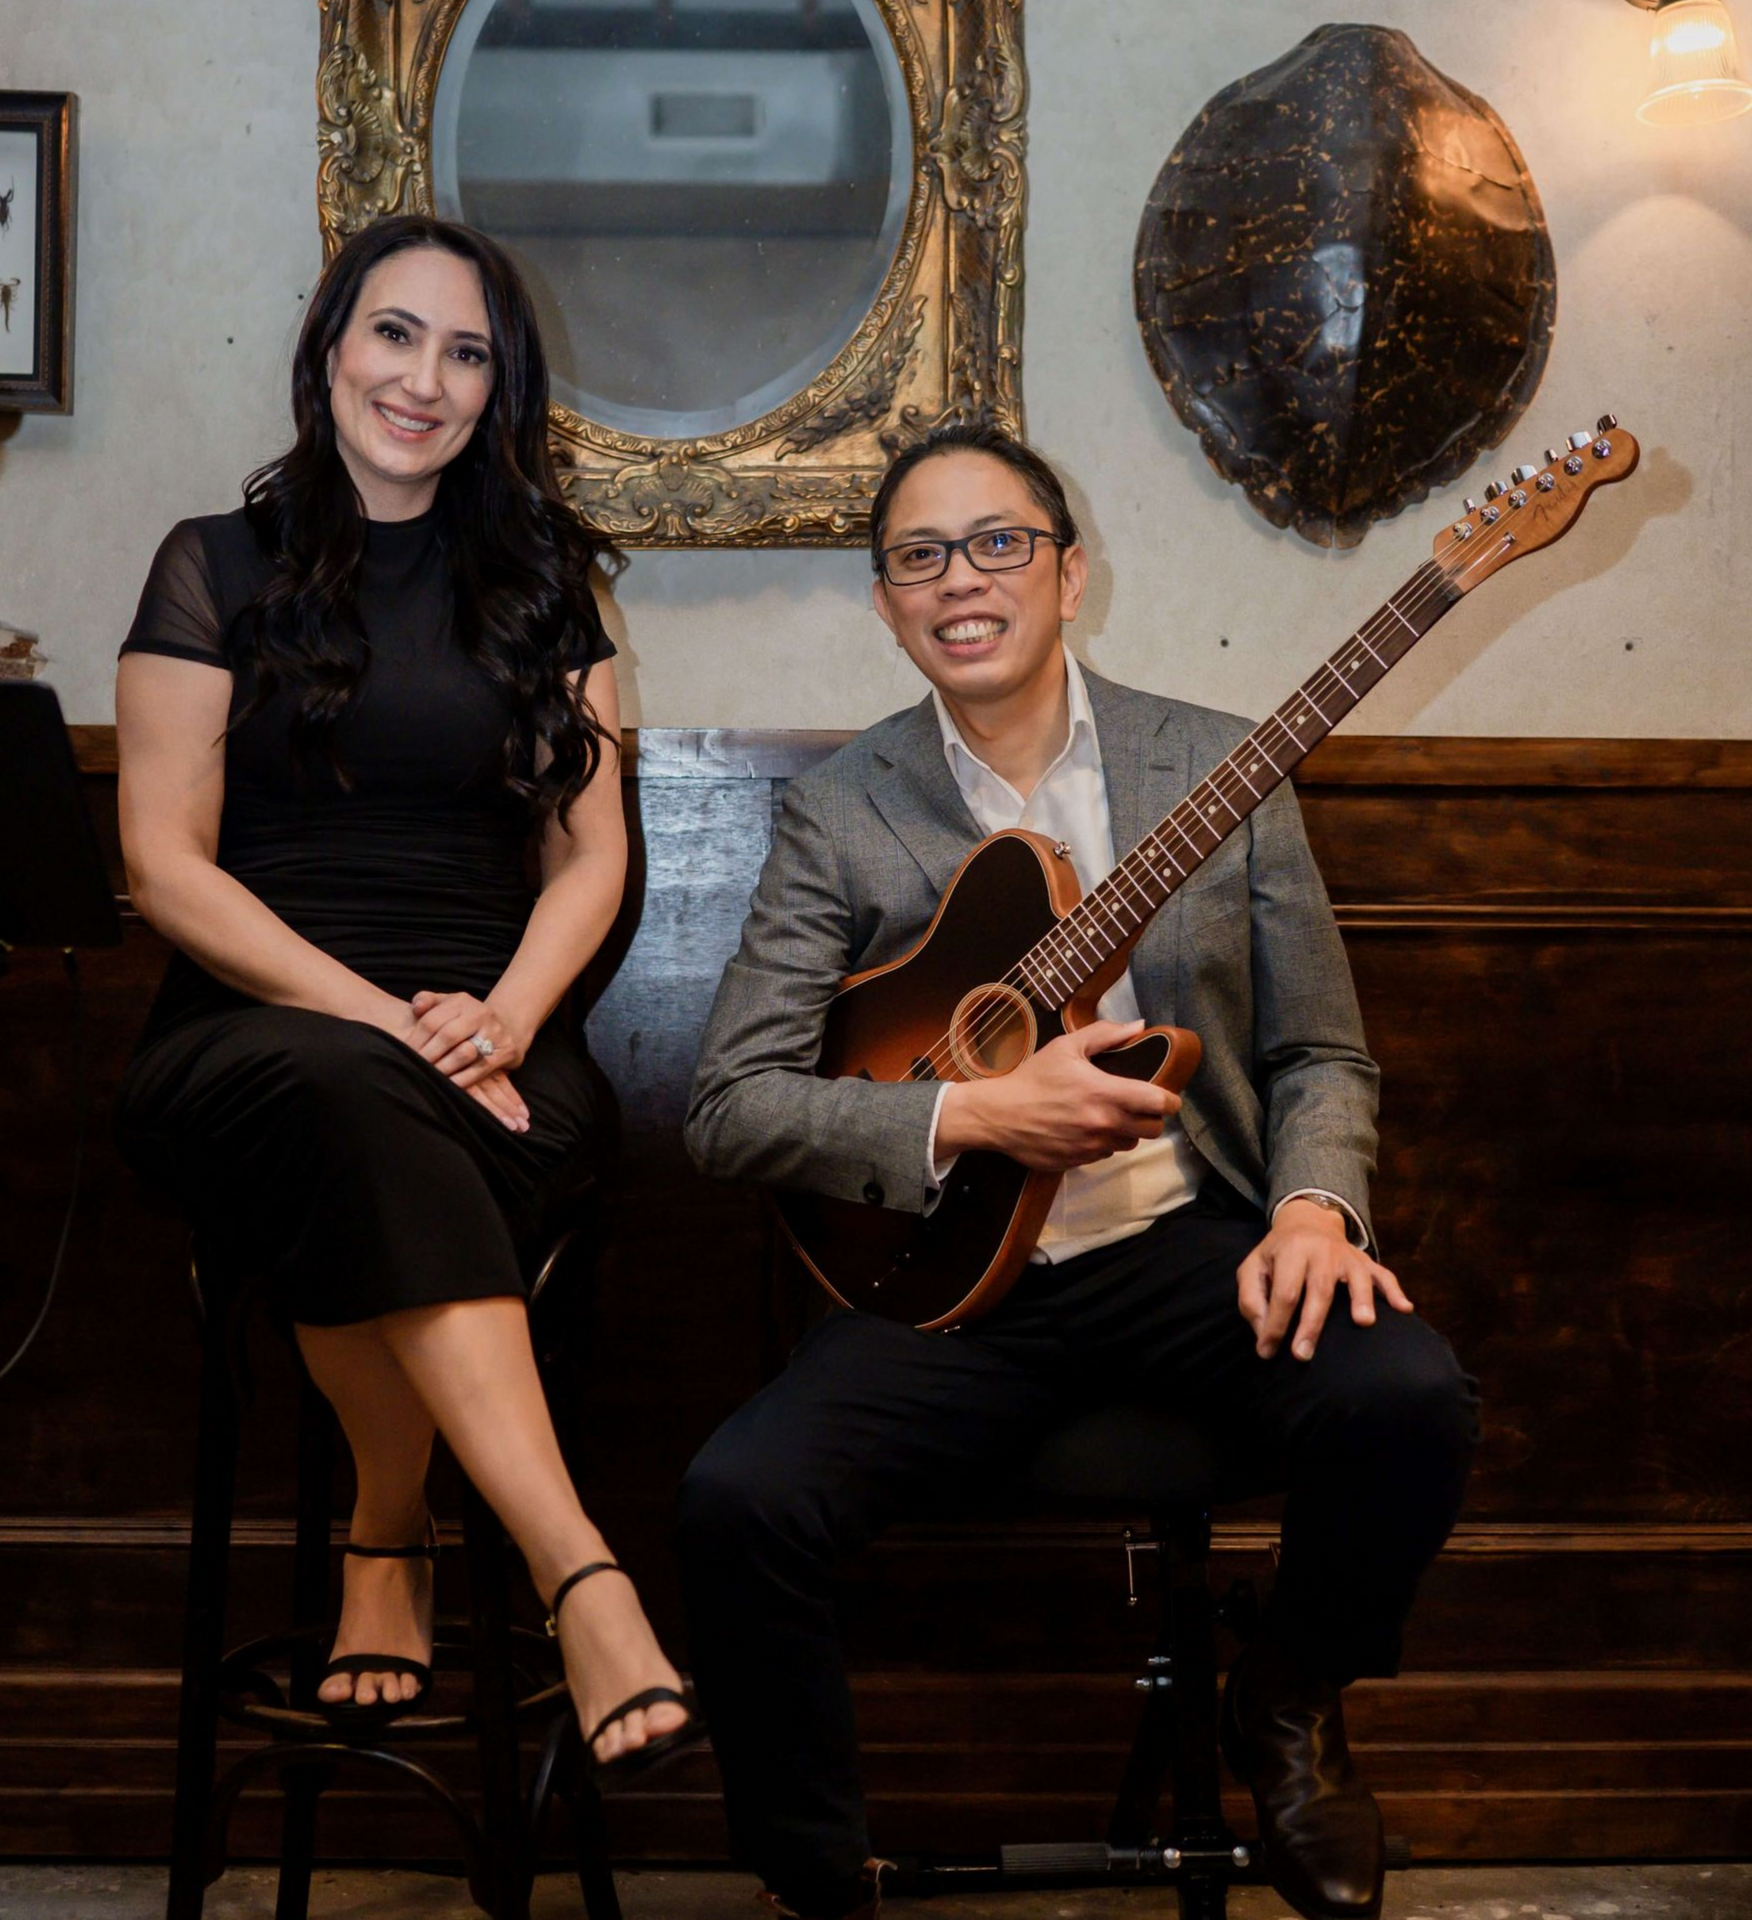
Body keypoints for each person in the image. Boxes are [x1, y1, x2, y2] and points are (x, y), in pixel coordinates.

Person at [677, 423, 1479, 1918]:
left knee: (1408, 1395)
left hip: (1184, 1247)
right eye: (919, 557)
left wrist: (1312, 1204)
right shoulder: (841, 812)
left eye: (998, 544)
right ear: (886, 603)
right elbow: (731, 1107)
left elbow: (1325, 1055)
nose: (960, 581)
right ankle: (809, 1876)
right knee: (737, 1502)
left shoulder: (1225, 770)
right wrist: (974, 1121)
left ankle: (1290, 1698)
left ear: (1068, 571)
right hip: (948, 1287)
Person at [114, 214, 699, 1781]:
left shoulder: (549, 584)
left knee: (368, 1135)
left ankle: (392, 1531)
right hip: (252, 1035)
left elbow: (593, 857)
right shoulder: (210, 565)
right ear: (327, 348)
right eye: (394, 334)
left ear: (498, 391)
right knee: (338, 1095)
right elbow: (166, 870)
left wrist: (499, 1017)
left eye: (467, 352)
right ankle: (577, 1570)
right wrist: (386, 1019)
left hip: (501, 1044)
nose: (423, 379)